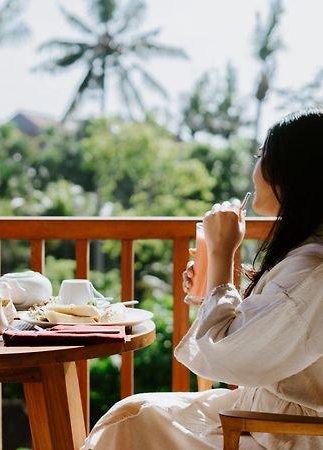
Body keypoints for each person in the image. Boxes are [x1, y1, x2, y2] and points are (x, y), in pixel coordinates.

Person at [82, 108, 323, 450]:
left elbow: (227, 356)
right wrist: (212, 285)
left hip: (283, 432)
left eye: (261, 156)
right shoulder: (308, 255)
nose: (255, 169)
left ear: (288, 174)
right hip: (264, 417)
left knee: (132, 423)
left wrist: (222, 255)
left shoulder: (313, 269)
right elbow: (260, 333)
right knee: (132, 411)